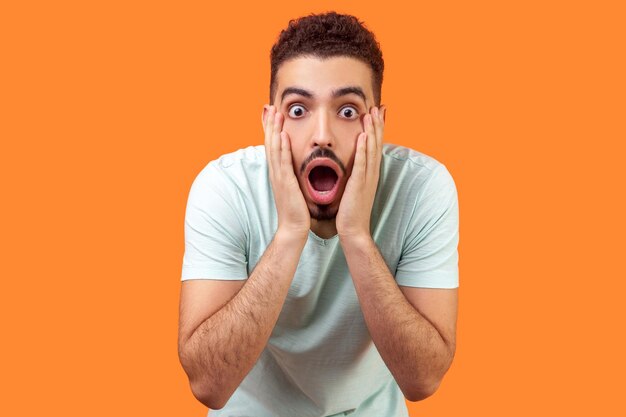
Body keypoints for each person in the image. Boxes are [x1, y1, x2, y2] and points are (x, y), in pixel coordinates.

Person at [178, 11, 459, 417]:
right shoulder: (226, 188)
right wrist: (291, 232)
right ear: (270, 122)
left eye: (347, 111)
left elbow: (422, 380)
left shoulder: (422, 188)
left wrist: (356, 235)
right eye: (297, 110)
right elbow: (208, 385)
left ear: (378, 122)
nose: (322, 134)